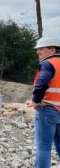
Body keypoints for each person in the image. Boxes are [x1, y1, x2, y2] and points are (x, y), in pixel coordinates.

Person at [31, 36, 60, 168]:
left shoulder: (48, 64)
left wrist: (36, 101)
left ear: (52, 49)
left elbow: (40, 85)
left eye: (41, 49)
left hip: (48, 110)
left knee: (43, 148)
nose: (38, 52)